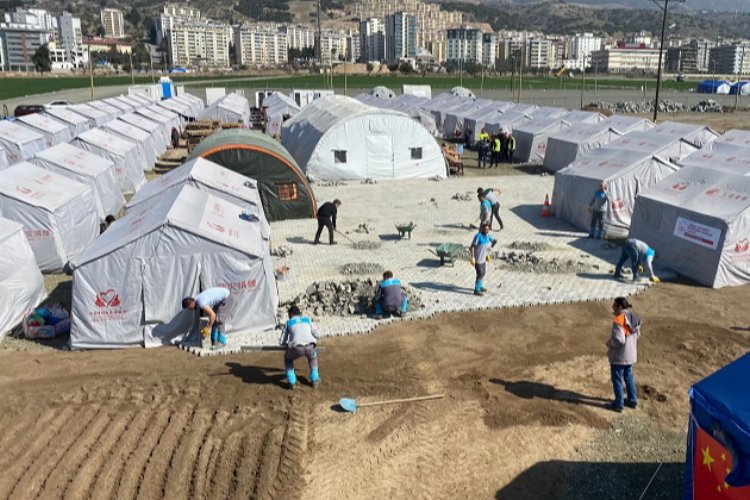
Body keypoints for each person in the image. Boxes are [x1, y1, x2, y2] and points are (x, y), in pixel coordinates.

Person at [606, 297, 642, 412]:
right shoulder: (634, 317)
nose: (613, 307)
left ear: (620, 307)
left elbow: (619, 340)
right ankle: (632, 400)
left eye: (614, 305)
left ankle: (619, 404)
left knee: (617, 379)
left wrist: (609, 344)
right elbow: (638, 334)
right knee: (629, 377)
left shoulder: (618, 320)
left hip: (620, 357)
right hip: (631, 355)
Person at [279, 305, 321, 389]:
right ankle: (315, 379)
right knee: (313, 358)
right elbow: (318, 335)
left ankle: (292, 381)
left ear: (290, 315)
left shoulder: (288, 322)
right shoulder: (307, 319)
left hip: (296, 347)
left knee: (288, 360)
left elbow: (282, 342)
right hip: (310, 346)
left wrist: (286, 345)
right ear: (299, 313)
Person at [470, 223, 497, 296]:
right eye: (485, 229)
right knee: (480, 274)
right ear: (481, 229)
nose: (486, 230)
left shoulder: (488, 237)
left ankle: (480, 286)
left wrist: (490, 248)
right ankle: (476, 290)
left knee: (483, 273)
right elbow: (472, 247)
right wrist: (472, 257)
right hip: (478, 259)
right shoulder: (478, 236)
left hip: (483, 259)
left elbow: (495, 241)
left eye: (488, 229)